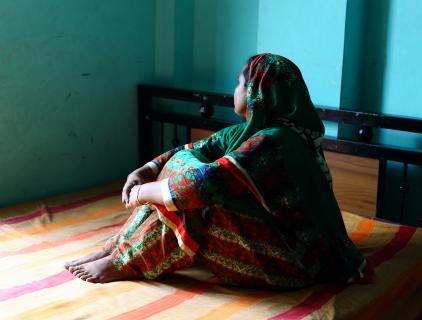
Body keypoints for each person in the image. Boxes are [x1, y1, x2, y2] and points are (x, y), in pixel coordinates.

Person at [64, 53, 368, 287]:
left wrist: (143, 192)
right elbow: (190, 151)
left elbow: (203, 184)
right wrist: (146, 169)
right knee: (184, 170)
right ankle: (117, 247)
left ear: (255, 91)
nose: (234, 89)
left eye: (239, 83)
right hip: (275, 238)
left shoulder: (277, 141)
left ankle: (128, 260)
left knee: (197, 195)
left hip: (295, 263)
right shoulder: (248, 133)